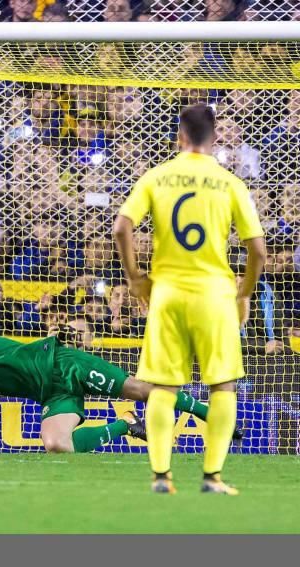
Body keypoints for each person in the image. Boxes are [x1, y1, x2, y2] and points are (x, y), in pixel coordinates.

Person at [113, 103, 266, 495]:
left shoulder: (157, 177)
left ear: (179, 136)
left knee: (163, 388)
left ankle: (162, 477)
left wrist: (135, 279)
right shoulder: (231, 183)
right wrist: (244, 293)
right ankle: (212, 477)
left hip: (167, 294)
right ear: (214, 138)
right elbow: (259, 251)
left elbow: (121, 228)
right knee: (222, 386)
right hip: (215, 295)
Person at [0, 318, 241, 454]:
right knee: (56, 445)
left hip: (63, 364)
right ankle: (126, 425)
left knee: (143, 390)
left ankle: (214, 416)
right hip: (53, 394)